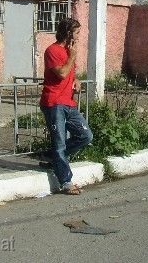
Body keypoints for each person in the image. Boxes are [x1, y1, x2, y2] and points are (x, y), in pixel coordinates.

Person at [40, 17, 93, 195]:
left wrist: (76, 79)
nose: (79, 36)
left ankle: (52, 156)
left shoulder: (69, 50)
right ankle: (66, 182)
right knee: (60, 143)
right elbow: (62, 73)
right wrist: (71, 56)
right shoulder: (52, 51)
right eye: (77, 32)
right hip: (54, 103)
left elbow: (70, 71)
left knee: (85, 135)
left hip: (68, 102)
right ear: (68, 32)